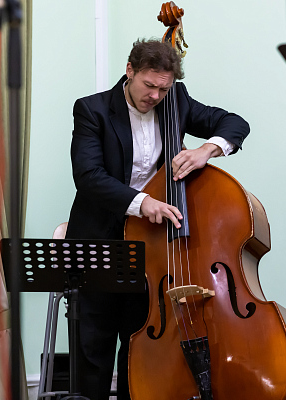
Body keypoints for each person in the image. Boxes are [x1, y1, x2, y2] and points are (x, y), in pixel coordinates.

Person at [64, 38, 250, 400]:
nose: (155, 96)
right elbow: (88, 176)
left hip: (152, 248)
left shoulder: (176, 100)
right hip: (100, 239)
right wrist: (141, 201)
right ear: (130, 71)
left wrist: (206, 149)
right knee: (93, 348)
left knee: (140, 345)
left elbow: (234, 123)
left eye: (163, 89)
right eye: (149, 85)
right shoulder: (92, 110)